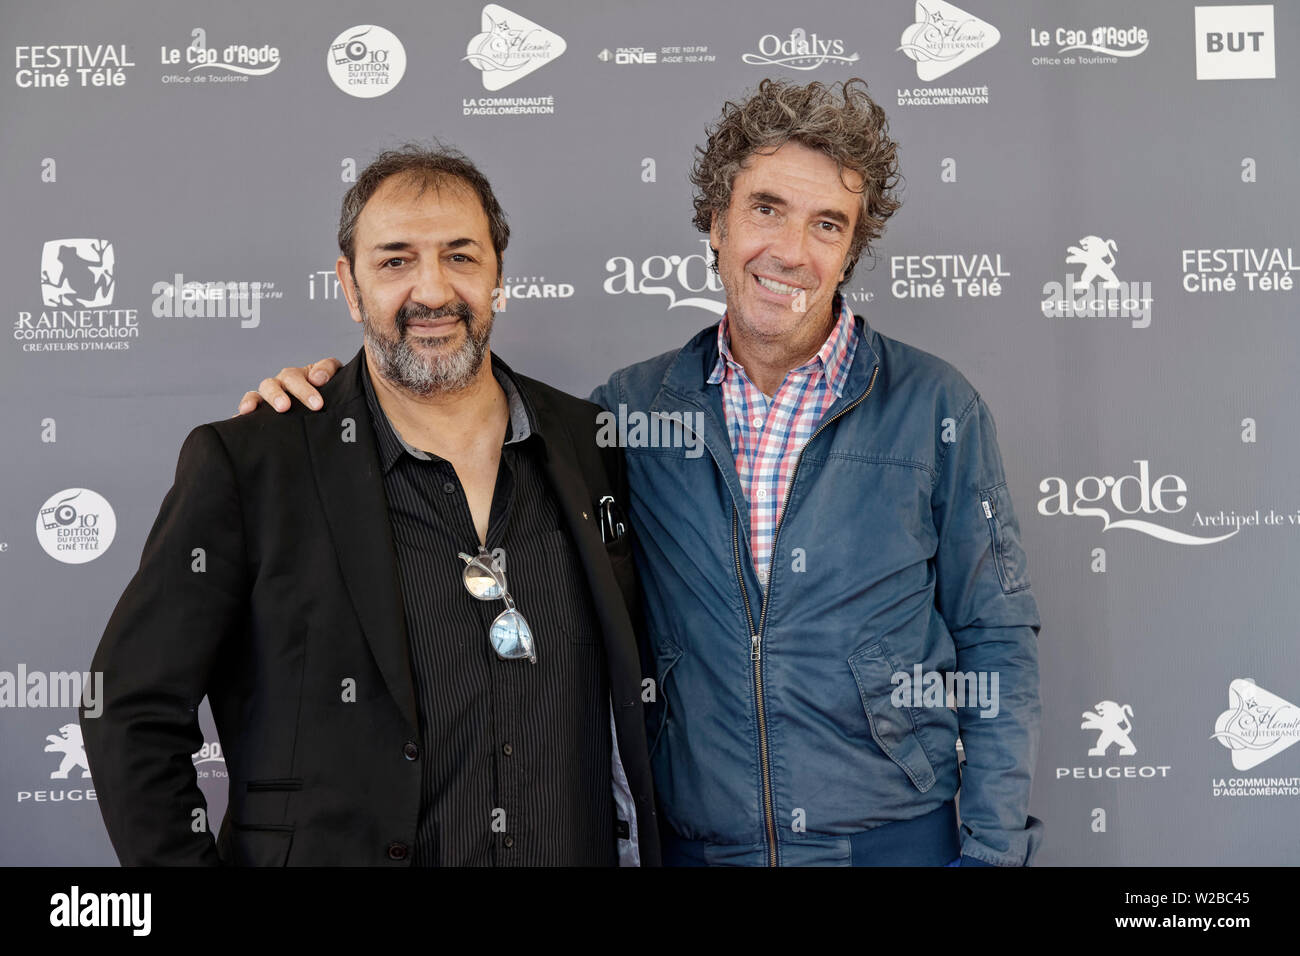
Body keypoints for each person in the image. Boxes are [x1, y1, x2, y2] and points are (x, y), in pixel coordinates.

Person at [240, 78, 1044, 867]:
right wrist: (322, 407)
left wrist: (996, 850)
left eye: (827, 224)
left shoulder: (936, 407)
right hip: (696, 847)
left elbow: (997, 639)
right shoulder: (620, 417)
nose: (791, 250)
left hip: (897, 842)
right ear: (716, 225)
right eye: (765, 209)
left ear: (850, 252)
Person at [81, 145, 659, 867]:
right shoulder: (257, 462)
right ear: (350, 289)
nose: (432, 290)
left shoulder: (589, 442)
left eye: (460, 256)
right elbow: (129, 711)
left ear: (499, 276)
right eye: (395, 261)